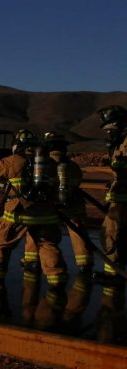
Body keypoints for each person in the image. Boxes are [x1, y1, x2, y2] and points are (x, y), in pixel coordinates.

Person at [0, 129, 68, 288]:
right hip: (46, 215)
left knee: (1, 244)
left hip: (17, 215)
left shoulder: (12, 161)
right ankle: (57, 279)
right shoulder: (49, 163)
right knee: (48, 246)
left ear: (17, 145)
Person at [20, 131, 92, 273]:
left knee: (37, 229)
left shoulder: (42, 165)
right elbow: (76, 183)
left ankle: (32, 260)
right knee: (78, 230)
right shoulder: (73, 167)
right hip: (72, 204)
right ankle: (85, 263)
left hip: (49, 206)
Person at [98, 105, 127, 284]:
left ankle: (114, 274)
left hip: (123, 199)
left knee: (111, 233)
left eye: (109, 127)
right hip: (120, 196)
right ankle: (116, 270)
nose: (107, 132)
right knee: (117, 234)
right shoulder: (120, 142)